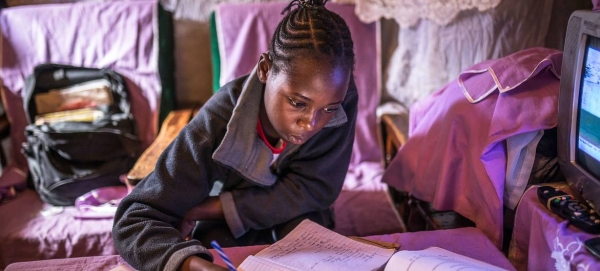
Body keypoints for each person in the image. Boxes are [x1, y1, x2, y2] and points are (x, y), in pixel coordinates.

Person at [112, 0, 357, 270]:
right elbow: (133, 220)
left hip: (300, 214)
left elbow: (317, 190)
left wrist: (204, 207)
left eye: (328, 109)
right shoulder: (216, 124)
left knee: (312, 250)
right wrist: (194, 266)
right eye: (298, 103)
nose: (312, 123)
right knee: (213, 243)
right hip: (228, 228)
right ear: (265, 69)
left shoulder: (339, 99)